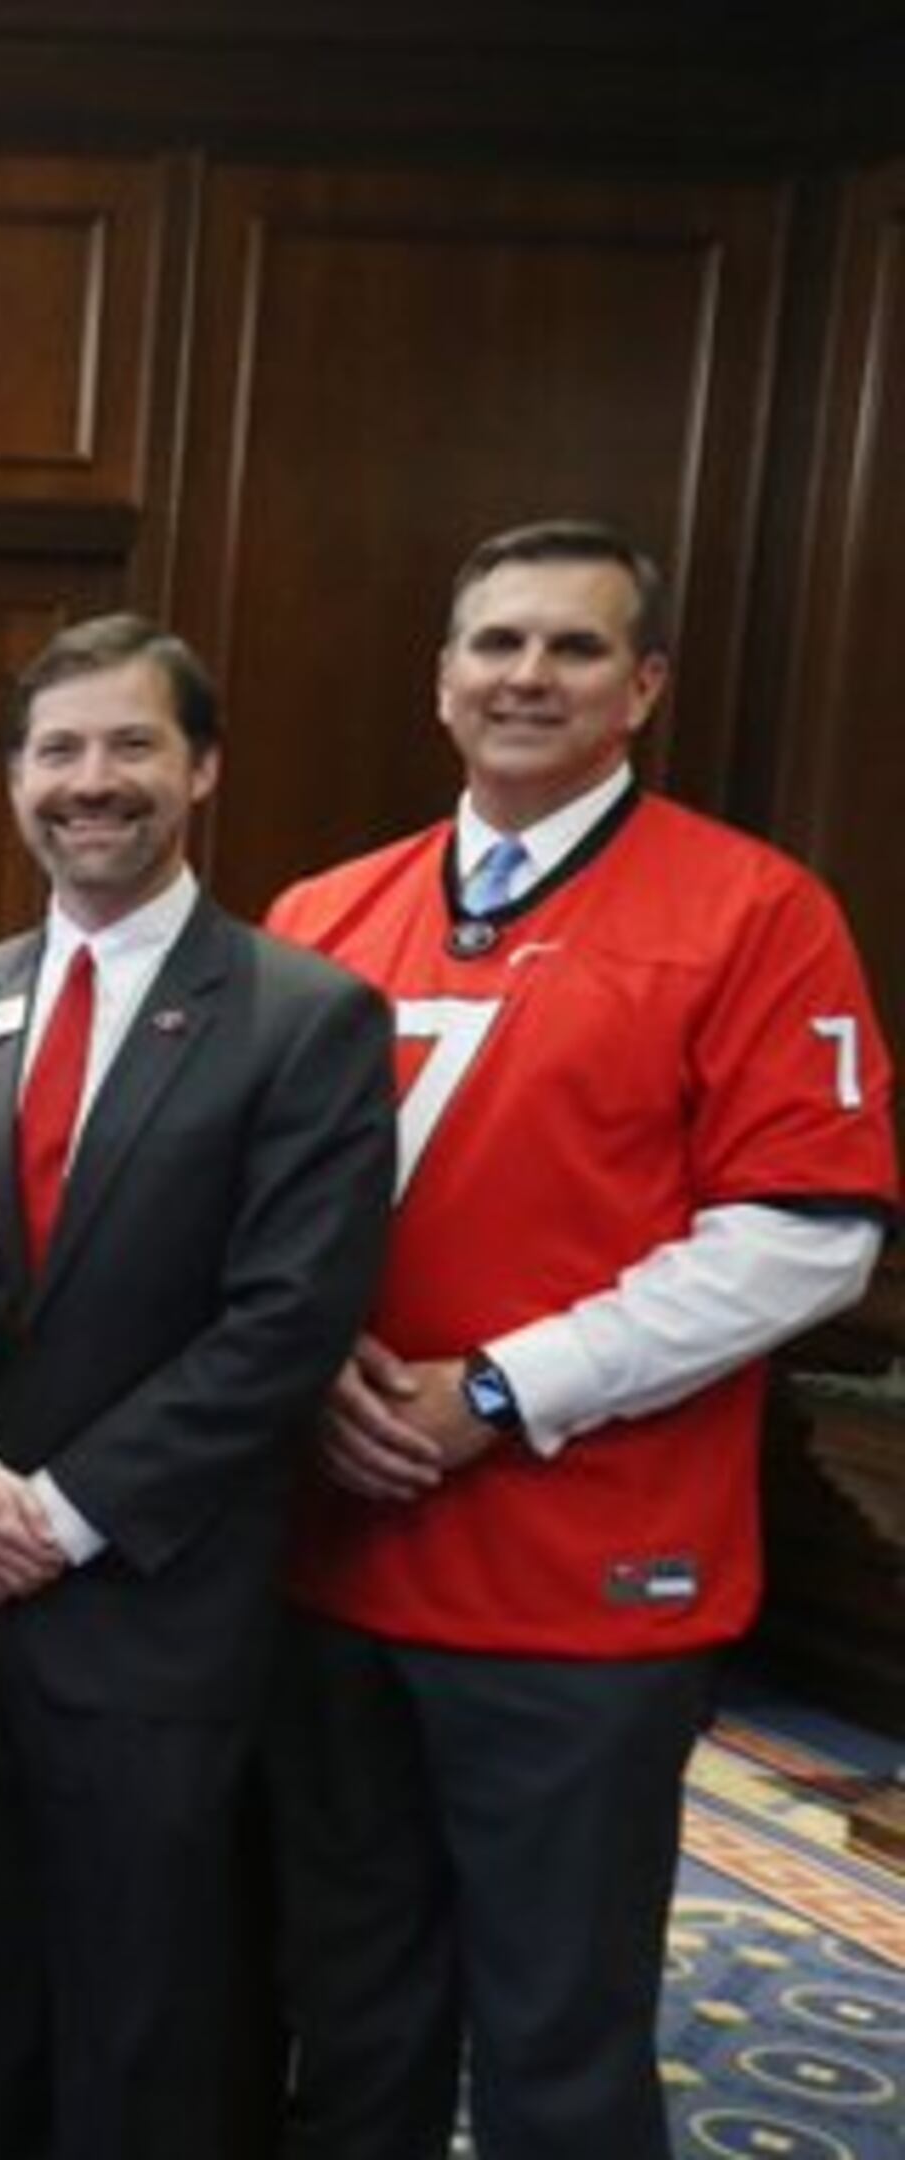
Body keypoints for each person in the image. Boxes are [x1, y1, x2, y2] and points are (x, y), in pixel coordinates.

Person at [265, 521, 895, 2158]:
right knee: (351, 2013)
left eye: (575, 648)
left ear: (646, 687)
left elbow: (806, 1241)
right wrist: (310, 1365)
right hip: (337, 1562)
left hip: (585, 1595)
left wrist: (500, 1388)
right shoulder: (328, 911)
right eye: (497, 644)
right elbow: (258, 1207)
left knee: (556, 2035)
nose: (527, 676)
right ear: (442, 681)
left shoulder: (756, 912)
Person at [0, 613, 398, 2160]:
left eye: (130, 746)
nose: (90, 782)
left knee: (146, 2022)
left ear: (202, 769)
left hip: (155, 1612)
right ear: (16, 781)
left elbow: (290, 1320)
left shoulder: (306, 1018)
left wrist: (68, 1509)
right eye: (57, 750)